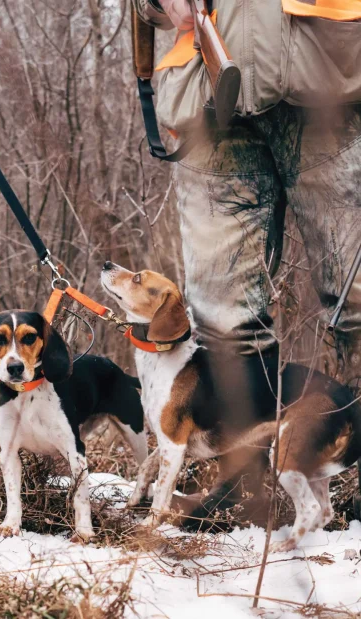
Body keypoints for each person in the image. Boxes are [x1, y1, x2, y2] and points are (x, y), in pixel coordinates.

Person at [132, 0, 361, 519]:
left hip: (331, 74)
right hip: (207, 92)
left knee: (357, 305)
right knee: (223, 321)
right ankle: (242, 488)